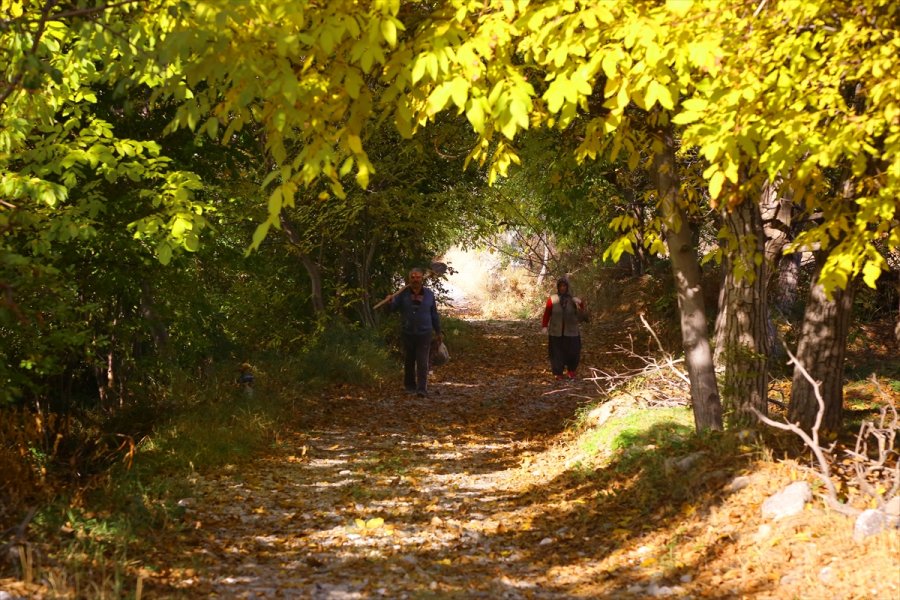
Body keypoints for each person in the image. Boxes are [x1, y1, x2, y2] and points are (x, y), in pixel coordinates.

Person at [385, 267, 442, 397]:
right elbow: (392, 309)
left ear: (422, 279)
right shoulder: (402, 294)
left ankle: (422, 388)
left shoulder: (429, 294)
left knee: (422, 361)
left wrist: (438, 331)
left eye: (418, 277)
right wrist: (389, 302)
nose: (415, 280)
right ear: (409, 279)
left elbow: (434, 314)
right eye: (413, 277)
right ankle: (409, 385)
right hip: (408, 331)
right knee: (409, 360)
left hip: (425, 332)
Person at [541, 277, 586, 380]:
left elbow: (583, 314)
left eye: (564, 286)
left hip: (572, 331)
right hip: (556, 331)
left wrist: (580, 303)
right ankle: (558, 373)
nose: (562, 288)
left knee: (573, 352)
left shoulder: (573, 299)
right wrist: (544, 326)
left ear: (567, 287)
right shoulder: (552, 299)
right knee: (556, 353)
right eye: (560, 286)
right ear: (558, 287)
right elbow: (547, 314)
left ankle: (571, 371)